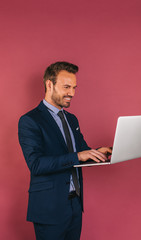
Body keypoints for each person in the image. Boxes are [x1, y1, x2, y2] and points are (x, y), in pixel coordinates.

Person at [18, 61, 112, 240]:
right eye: (67, 87)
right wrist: (78, 156)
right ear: (49, 84)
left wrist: (102, 152)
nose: (72, 93)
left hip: (75, 204)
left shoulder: (72, 119)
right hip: (49, 208)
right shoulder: (29, 121)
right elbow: (36, 164)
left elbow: (82, 153)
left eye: (74, 87)